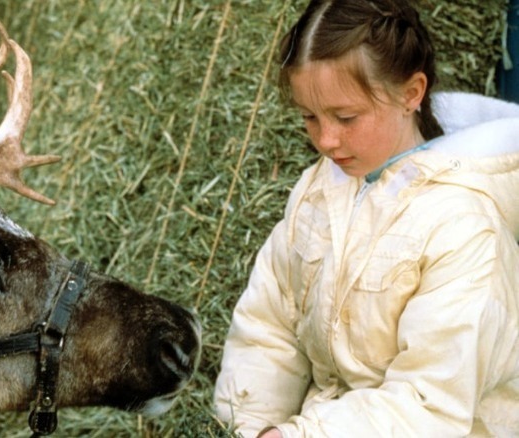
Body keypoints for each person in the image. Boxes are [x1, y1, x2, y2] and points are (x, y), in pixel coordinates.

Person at [213, 0, 519, 436]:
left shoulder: (464, 226)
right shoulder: (320, 189)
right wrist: (253, 425)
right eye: (309, 117)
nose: (326, 139)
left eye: (345, 117)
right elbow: (269, 324)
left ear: (411, 93)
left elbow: (429, 405)